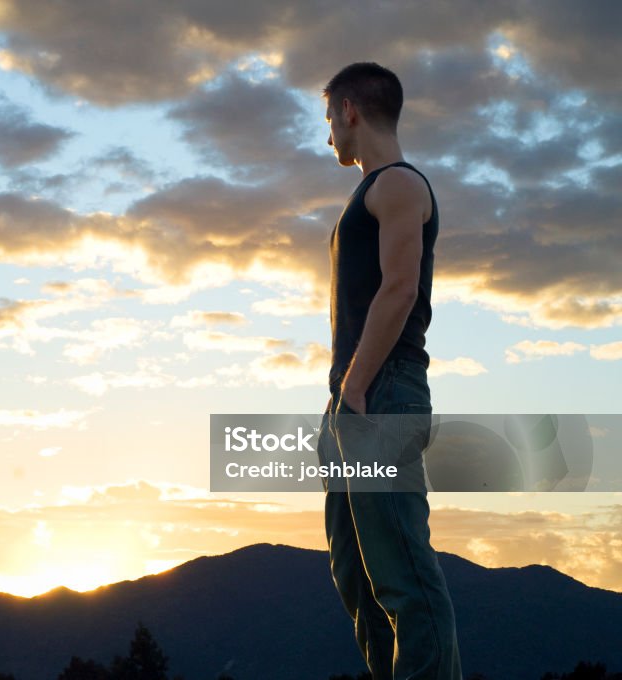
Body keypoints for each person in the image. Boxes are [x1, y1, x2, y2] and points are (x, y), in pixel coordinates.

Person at [315, 62, 463, 679]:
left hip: (382, 391)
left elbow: (400, 289)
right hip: (351, 401)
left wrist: (354, 389)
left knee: (401, 572)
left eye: (329, 120)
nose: (328, 137)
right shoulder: (371, 191)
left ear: (350, 110)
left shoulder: (399, 185)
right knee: (356, 576)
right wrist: (340, 403)